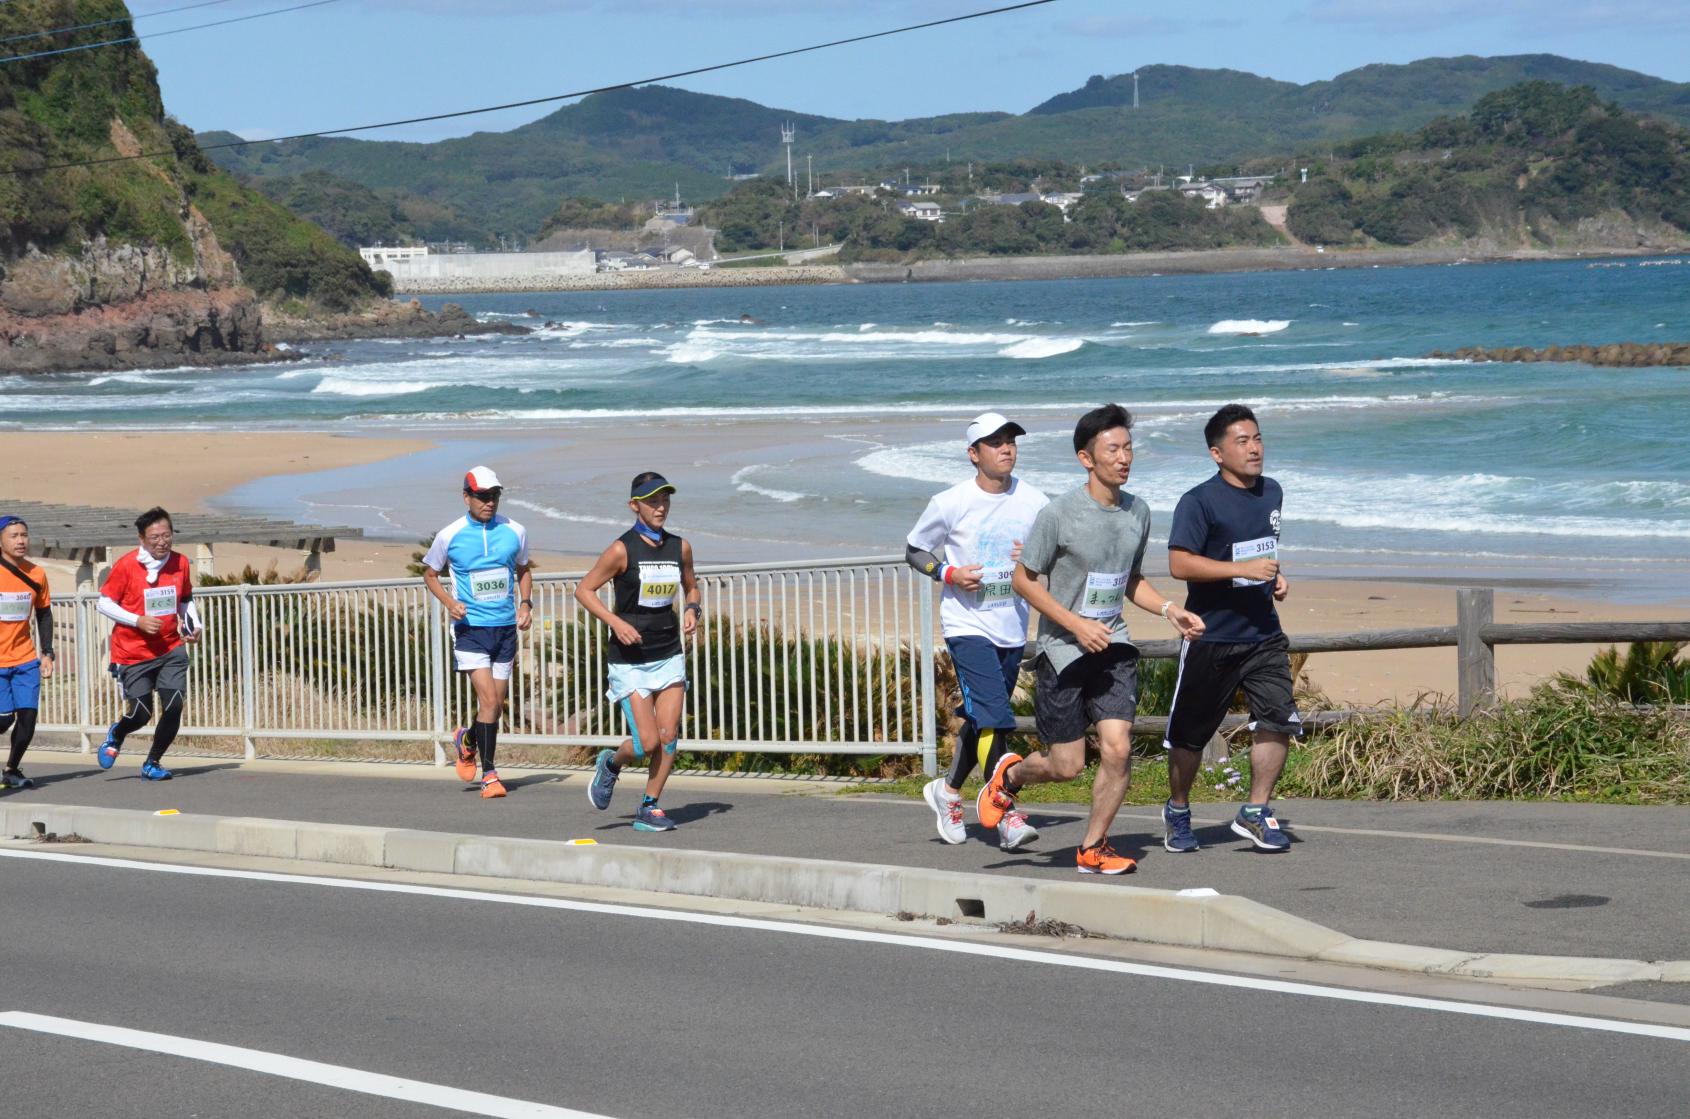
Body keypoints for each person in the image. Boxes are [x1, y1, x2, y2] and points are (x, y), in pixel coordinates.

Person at [981, 404, 1205, 874]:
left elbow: (1130, 579)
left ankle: (1092, 846)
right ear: (1087, 458)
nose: (1124, 458)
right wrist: (1076, 624)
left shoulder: (1138, 512)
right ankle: (1010, 775)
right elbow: (1024, 580)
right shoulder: (1058, 513)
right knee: (1067, 766)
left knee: (1119, 747)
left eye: (1128, 448)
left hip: (1114, 646)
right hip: (1063, 650)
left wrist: (1169, 609)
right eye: (1112, 449)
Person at [1162, 404, 1300, 853]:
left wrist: (1273, 576)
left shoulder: (1273, 492)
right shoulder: (1198, 501)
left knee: (1278, 719)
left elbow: (1261, 551)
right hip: (1211, 635)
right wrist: (1241, 568)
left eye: (1258, 438)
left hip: (1263, 633)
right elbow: (1179, 563)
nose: (1255, 448)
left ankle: (1256, 811)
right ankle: (1179, 810)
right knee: (1190, 737)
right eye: (1242, 441)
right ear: (1217, 453)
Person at [905, 412, 1048, 848]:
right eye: (995, 442)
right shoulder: (951, 501)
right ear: (974, 453)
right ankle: (1005, 814)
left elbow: (1052, 556)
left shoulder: (1036, 501)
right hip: (966, 625)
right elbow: (914, 550)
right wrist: (948, 573)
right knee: (997, 720)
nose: (1007, 448)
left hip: (1011, 627)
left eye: (1011, 441)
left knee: (984, 719)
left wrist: (1038, 556)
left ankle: (947, 791)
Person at [576, 472, 700, 833]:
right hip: (630, 661)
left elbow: (692, 587)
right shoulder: (621, 549)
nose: (660, 507)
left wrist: (692, 610)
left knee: (669, 735)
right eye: (652, 501)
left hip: (668, 653)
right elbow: (584, 590)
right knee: (646, 742)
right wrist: (614, 622)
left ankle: (649, 806)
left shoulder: (681, 547)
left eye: (665, 500)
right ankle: (612, 764)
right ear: (635, 506)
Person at [422, 466, 533, 800]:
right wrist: (449, 603)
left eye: (495, 495)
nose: (490, 502)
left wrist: (525, 604)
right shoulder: (449, 535)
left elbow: (524, 570)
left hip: (504, 630)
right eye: (483, 496)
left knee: (494, 707)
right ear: (466, 497)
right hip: (470, 630)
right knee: (487, 701)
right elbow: (429, 574)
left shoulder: (515, 530)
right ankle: (490, 774)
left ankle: (467, 741)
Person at [95, 508, 202, 780]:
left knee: (175, 704)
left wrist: (193, 624)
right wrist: (137, 620)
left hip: (169, 647)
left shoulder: (180, 563)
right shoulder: (128, 564)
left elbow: (185, 598)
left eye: (167, 535)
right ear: (142, 539)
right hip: (133, 653)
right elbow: (104, 602)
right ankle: (117, 733)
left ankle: (152, 762)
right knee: (141, 714)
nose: (162, 541)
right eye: (155, 537)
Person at [0, 516, 54, 789]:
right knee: (3, 718)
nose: (20, 540)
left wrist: (48, 652)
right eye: (13, 535)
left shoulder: (36, 574)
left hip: (24, 658)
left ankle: (11, 769)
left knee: (28, 717)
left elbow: (44, 614)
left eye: (24, 535)